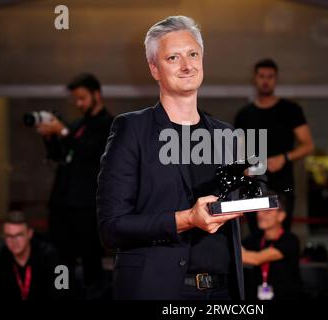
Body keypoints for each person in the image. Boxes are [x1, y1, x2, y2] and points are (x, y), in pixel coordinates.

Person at [97, 16, 245, 300]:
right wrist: (187, 218)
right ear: (155, 69)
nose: (187, 66)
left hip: (223, 293)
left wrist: (253, 195)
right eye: (173, 58)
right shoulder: (132, 129)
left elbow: (229, 214)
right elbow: (112, 228)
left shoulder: (226, 135)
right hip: (159, 290)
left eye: (193, 54)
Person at [35, 73, 114, 296]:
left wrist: (62, 131)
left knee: (90, 259)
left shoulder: (110, 124)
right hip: (62, 205)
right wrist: (50, 136)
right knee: (61, 259)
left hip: (86, 207)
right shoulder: (78, 124)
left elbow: (91, 153)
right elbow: (60, 156)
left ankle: (94, 294)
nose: (78, 104)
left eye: (82, 98)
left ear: (96, 95)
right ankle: (63, 293)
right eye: (75, 99)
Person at [234, 58, 314, 233]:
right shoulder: (244, 115)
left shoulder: (291, 110)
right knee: (256, 236)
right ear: (255, 79)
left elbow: (308, 145)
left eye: (270, 76)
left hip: (283, 185)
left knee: (280, 236)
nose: (265, 80)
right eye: (261, 76)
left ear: (276, 79)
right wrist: (244, 167)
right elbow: (238, 153)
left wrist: (284, 157)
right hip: (255, 185)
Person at [0, 211, 60, 300]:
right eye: (9, 236)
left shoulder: (51, 256)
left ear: (29, 234)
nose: (14, 241)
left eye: (19, 235)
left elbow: (63, 292)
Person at [241, 195, 302, 300]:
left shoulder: (289, 240)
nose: (260, 215)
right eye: (259, 210)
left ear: (281, 216)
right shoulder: (253, 240)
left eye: (267, 211)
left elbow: (256, 259)